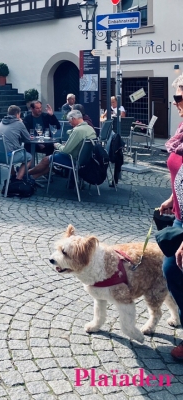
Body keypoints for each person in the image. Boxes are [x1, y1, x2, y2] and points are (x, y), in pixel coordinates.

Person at [159, 73, 183, 361]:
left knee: (173, 270)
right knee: (173, 271)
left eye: (182, 97)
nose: (178, 102)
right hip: (179, 213)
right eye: (176, 96)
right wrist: (172, 198)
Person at [28, 109, 96, 180]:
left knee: (46, 160)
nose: (70, 124)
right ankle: (32, 178)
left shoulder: (78, 130)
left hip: (73, 160)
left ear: (73, 119)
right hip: (85, 160)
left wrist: (56, 145)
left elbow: (65, 151)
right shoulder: (90, 128)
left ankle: (26, 173)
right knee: (50, 163)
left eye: (70, 122)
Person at [0, 105, 32, 180]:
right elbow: (28, 138)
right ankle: (18, 179)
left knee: (9, 148)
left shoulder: (2, 121)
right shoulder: (19, 123)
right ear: (18, 114)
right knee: (29, 157)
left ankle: (13, 174)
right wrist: (21, 122)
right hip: (8, 156)